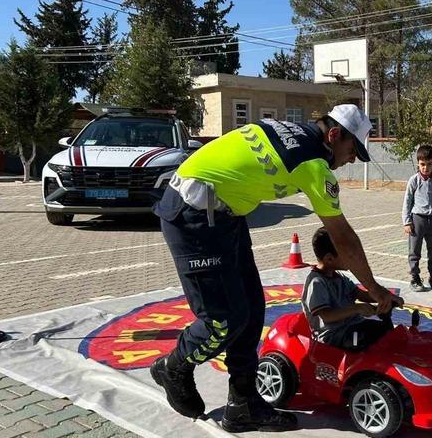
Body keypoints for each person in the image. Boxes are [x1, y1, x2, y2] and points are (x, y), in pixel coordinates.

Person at [149, 104, 403, 432]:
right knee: (223, 321)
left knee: (253, 310)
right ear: (335, 134)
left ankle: (243, 405)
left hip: (223, 213)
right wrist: (378, 290)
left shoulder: (294, 132)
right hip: (194, 214)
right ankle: (173, 366)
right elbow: (344, 239)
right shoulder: (313, 164)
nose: (352, 159)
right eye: (353, 149)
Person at [301, 228, 392, 350]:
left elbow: (361, 294)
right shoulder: (316, 283)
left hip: (353, 326)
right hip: (334, 336)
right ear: (329, 259)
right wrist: (356, 308)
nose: (351, 259)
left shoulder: (340, 278)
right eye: (346, 256)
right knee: (365, 341)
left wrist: (385, 297)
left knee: (386, 332)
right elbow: (327, 316)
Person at [402, 144, 432, 291]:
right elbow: (407, 201)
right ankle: (415, 277)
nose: (425, 168)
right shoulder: (413, 180)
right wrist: (407, 221)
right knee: (414, 251)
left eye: (429, 164)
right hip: (417, 220)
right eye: (422, 164)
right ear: (418, 163)